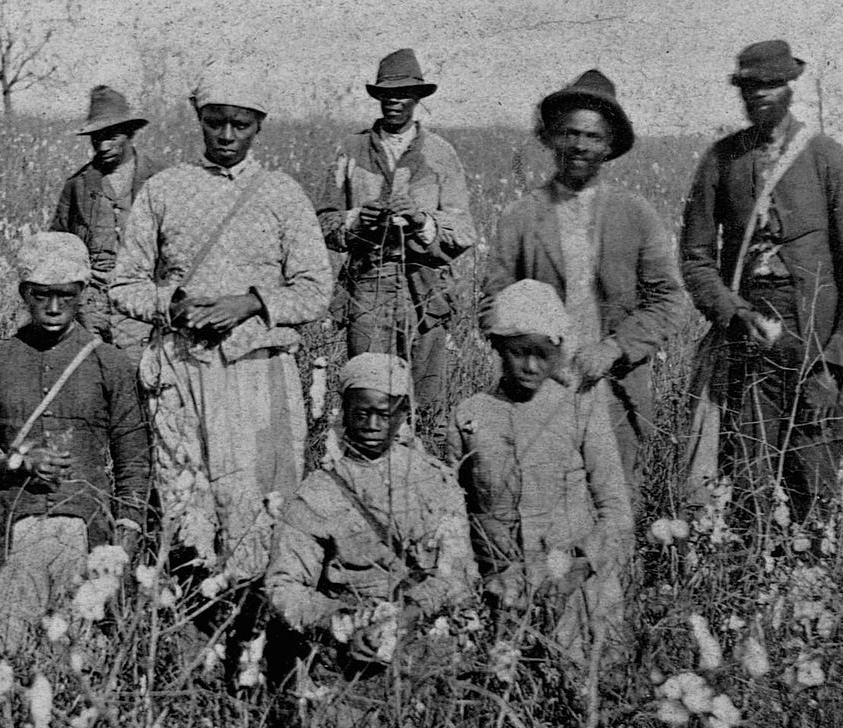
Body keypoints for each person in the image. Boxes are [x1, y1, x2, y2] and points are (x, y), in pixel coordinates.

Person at [111, 73, 332, 585]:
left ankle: (256, 622)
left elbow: (315, 291)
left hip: (257, 374)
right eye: (216, 123)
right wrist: (175, 304)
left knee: (259, 507)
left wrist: (249, 303)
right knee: (186, 503)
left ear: (259, 127)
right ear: (199, 121)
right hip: (181, 371)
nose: (227, 135)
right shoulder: (164, 189)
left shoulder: (282, 194)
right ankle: (192, 620)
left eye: (241, 124)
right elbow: (125, 284)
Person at [680, 40, 843, 523]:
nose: (761, 95)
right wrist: (732, 311)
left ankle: (812, 585)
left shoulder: (828, 159)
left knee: (816, 475)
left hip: (815, 333)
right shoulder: (722, 161)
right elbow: (695, 256)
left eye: (771, 84)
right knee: (747, 472)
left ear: (790, 88)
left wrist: (834, 365)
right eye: (751, 86)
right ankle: (750, 577)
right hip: (750, 336)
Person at [0, 232, 150, 653]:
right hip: (9, 536)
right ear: (23, 293)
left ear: (83, 293)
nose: (53, 308)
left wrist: (126, 534)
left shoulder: (110, 363)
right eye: (41, 295)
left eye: (65, 296)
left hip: (88, 534)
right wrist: (12, 464)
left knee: (80, 664)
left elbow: (134, 459)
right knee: (3, 660)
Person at [482, 70, 684, 515]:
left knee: (614, 505)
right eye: (570, 133)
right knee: (541, 507)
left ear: (609, 146)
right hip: (538, 386)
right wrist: (535, 354)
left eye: (592, 137)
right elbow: (491, 302)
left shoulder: (636, 215)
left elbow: (668, 301)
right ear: (552, 139)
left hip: (612, 386)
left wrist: (613, 348)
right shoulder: (521, 216)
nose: (579, 146)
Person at [265, 353, 476, 724]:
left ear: (403, 414)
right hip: (347, 662)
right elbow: (283, 587)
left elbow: (458, 573)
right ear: (344, 411)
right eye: (362, 414)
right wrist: (341, 621)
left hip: (426, 651)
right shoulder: (318, 493)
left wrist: (411, 613)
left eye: (386, 413)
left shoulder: (435, 481)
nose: (373, 426)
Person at [446, 280, 633, 669]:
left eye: (542, 354)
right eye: (518, 353)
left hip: (579, 592)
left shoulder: (580, 408)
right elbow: (452, 516)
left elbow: (616, 510)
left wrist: (577, 569)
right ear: (497, 348)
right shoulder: (470, 416)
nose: (531, 366)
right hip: (502, 594)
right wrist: (481, 581)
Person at [318, 49, 477, 418]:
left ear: (418, 99)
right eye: (386, 94)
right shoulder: (352, 150)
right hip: (367, 286)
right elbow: (324, 221)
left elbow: (464, 230)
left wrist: (422, 221)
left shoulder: (441, 154)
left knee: (424, 403)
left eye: (403, 94)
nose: (394, 102)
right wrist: (357, 220)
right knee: (369, 393)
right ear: (377, 98)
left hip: (424, 289)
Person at [50, 85, 167, 357]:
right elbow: (59, 245)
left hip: (143, 301)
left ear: (130, 134)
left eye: (112, 137)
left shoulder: (161, 179)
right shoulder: (78, 185)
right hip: (92, 303)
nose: (103, 146)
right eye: (96, 139)